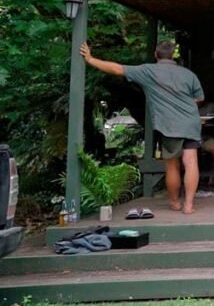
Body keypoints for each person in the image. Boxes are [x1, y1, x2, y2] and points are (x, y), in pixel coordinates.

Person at [80, 41, 204, 215]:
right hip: (191, 122)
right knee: (191, 162)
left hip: (169, 125)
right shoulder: (188, 74)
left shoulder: (148, 71)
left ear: (156, 55)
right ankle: (189, 205)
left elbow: (117, 69)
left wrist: (90, 59)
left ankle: (175, 202)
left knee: (172, 165)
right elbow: (199, 99)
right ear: (173, 56)